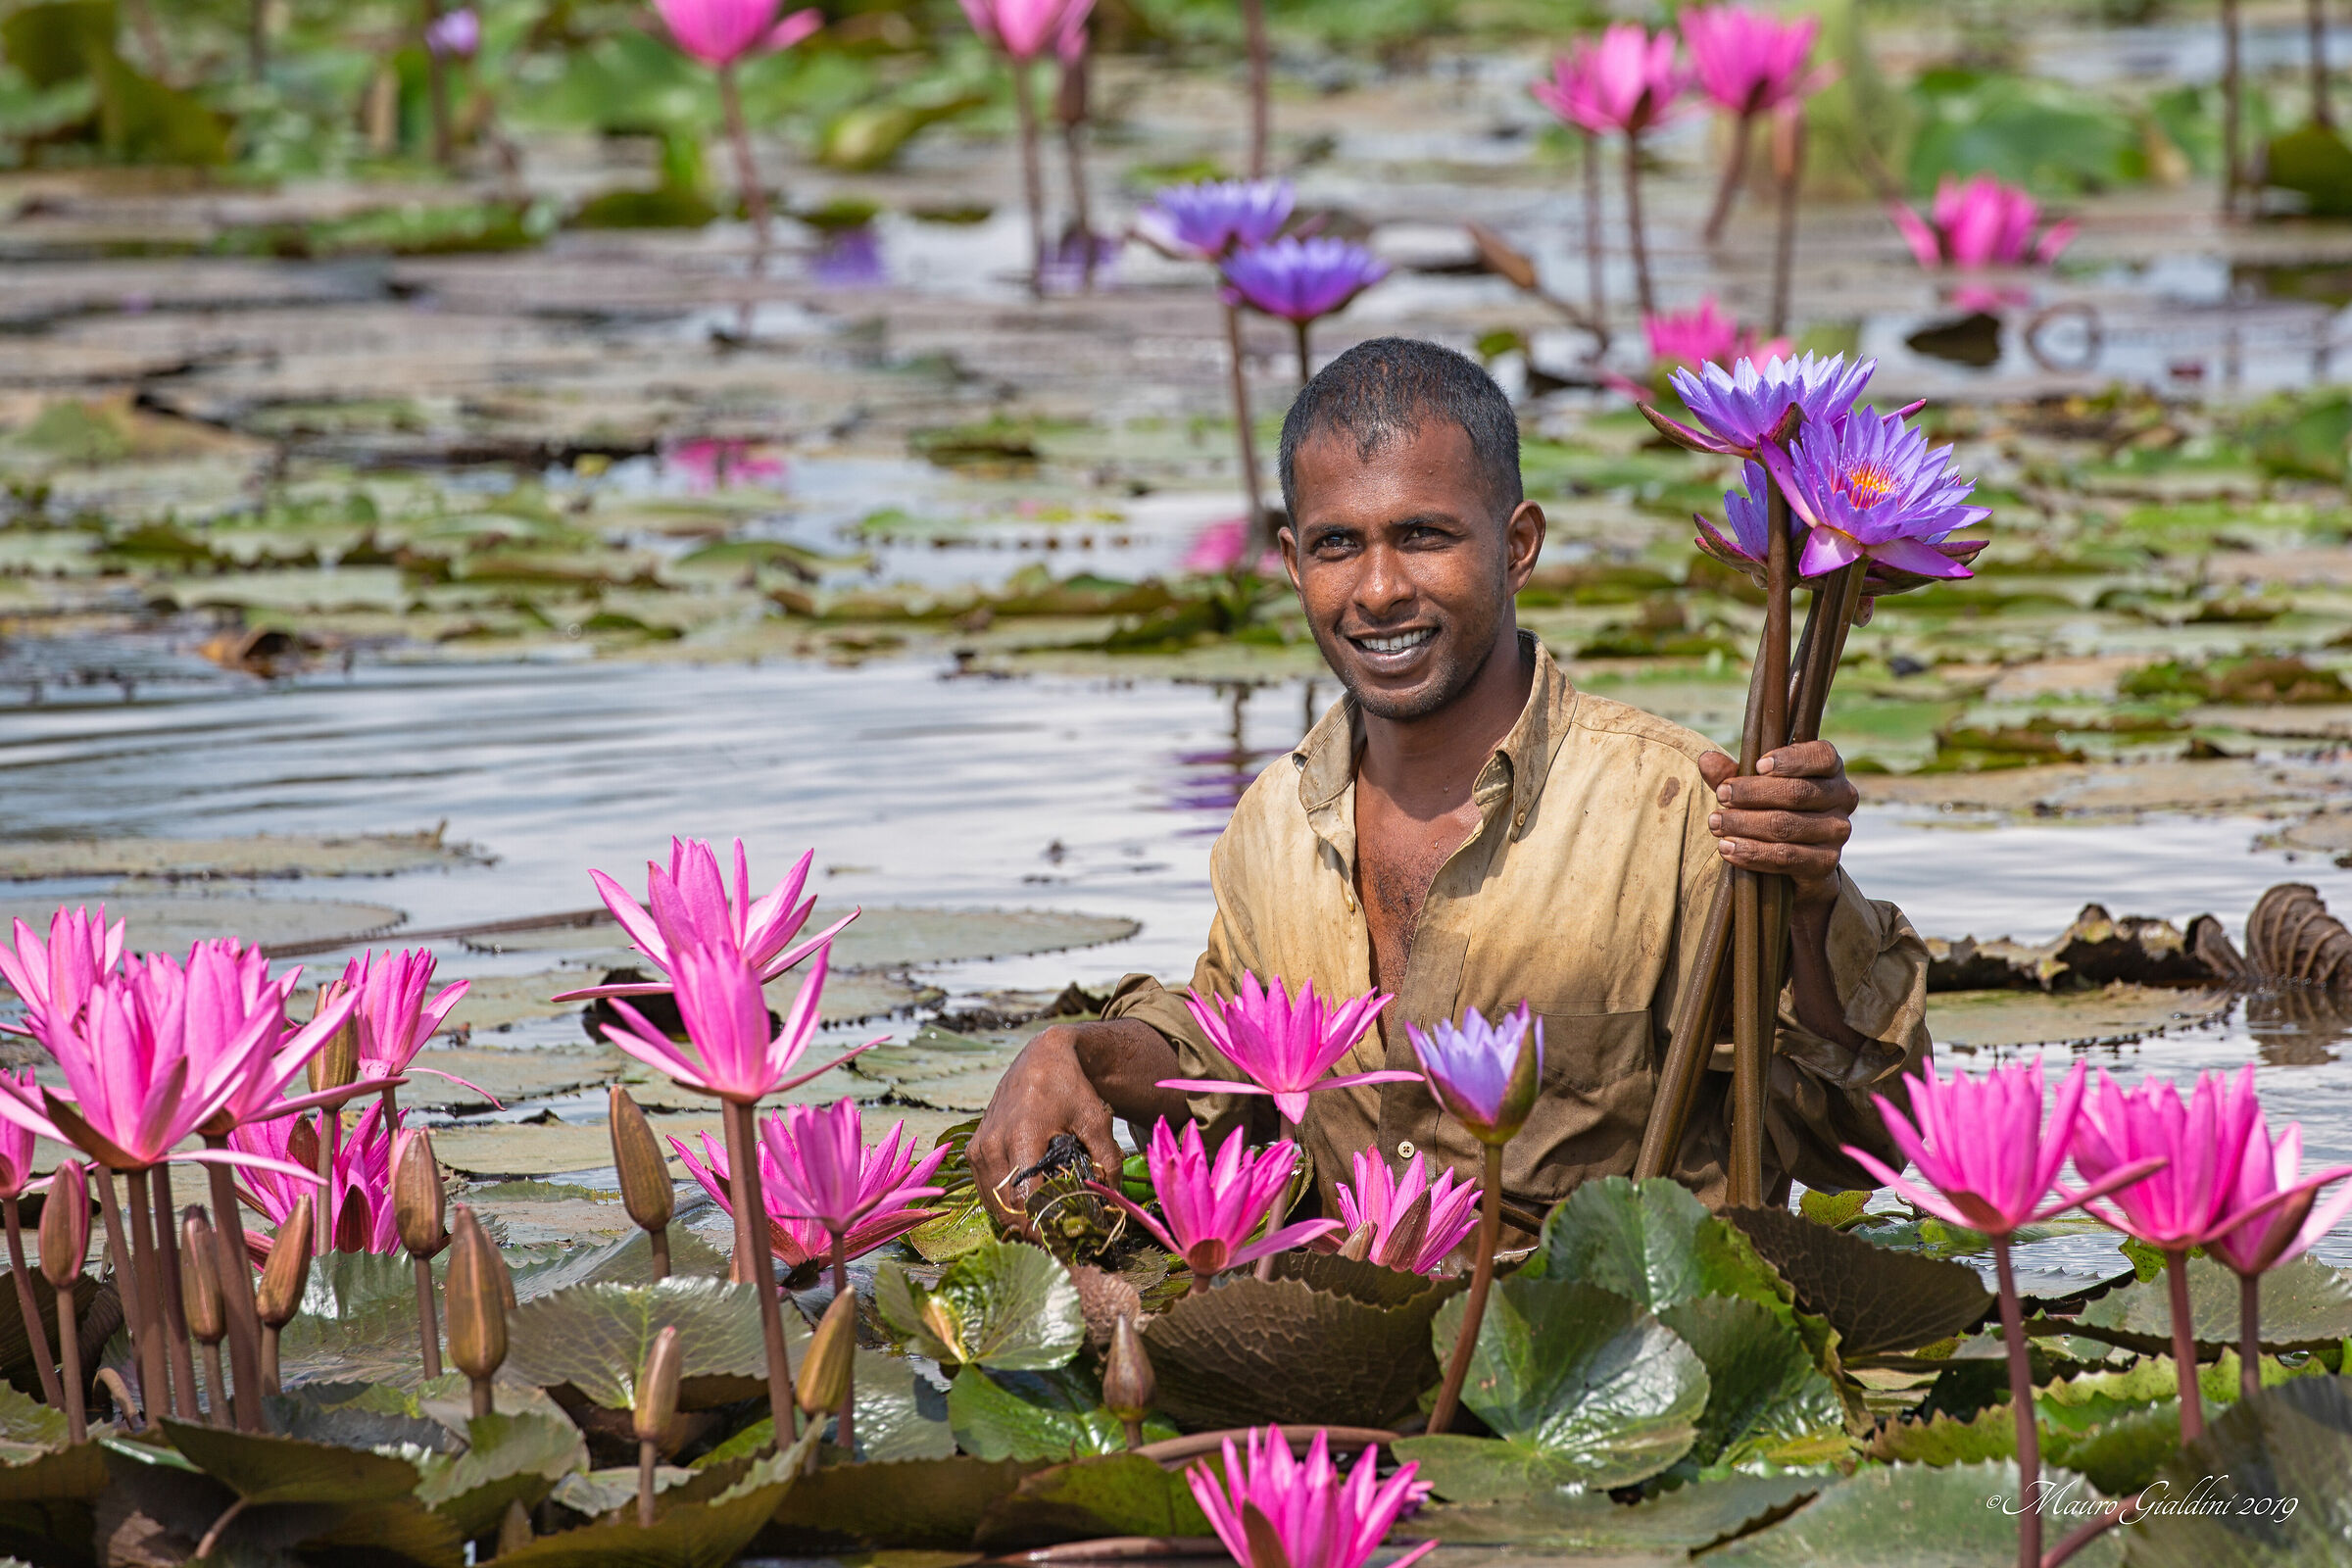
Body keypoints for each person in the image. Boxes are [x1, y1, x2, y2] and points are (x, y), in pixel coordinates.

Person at [970, 337, 1930, 1229]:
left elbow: (1875, 1144)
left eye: (1424, 535)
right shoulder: (1272, 822)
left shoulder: (1679, 806)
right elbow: (1225, 1054)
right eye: (1339, 544)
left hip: (1602, 1367)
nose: (1380, 588)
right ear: (1293, 559)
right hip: (1346, 1350)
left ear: (1517, 546)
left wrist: (1808, 902)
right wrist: (1074, 1052)